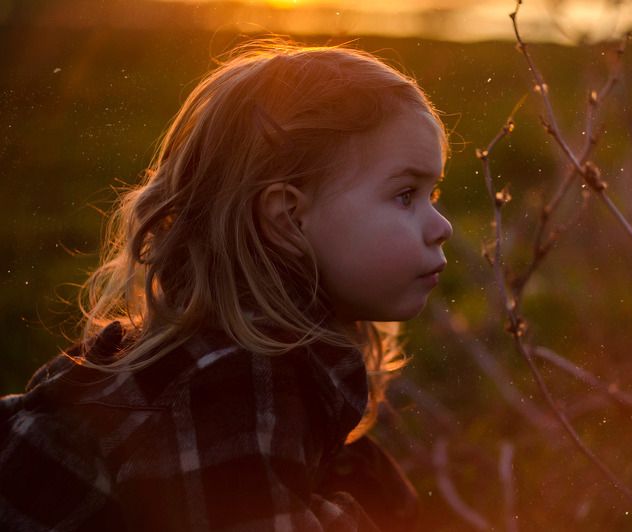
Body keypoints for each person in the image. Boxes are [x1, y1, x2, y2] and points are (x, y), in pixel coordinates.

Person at [0, 40, 452, 531]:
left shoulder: (242, 364)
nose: (442, 225)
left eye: (434, 193)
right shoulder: (233, 386)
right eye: (406, 195)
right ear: (290, 217)